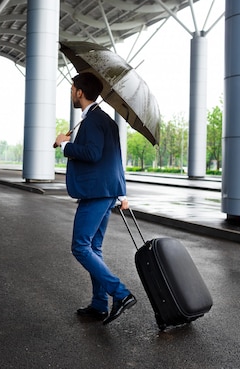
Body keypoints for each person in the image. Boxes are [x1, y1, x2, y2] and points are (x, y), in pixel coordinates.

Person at [54, 72, 137, 325]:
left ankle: (120, 293)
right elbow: (114, 158)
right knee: (94, 247)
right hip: (106, 190)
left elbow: (92, 153)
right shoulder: (105, 120)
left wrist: (64, 145)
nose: (71, 93)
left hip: (95, 192)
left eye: (72, 89)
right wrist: (121, 192)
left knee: (80, 246)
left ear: (80, 92)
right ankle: (100, 304)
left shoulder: (92, 121)